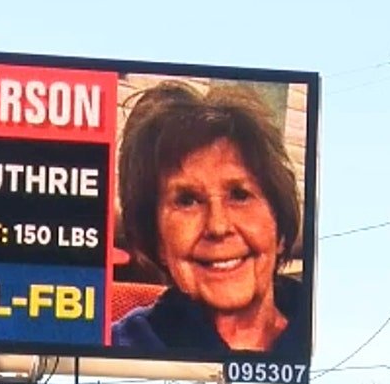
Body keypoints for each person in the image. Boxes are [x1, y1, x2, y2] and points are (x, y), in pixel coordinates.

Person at [110, 79, 304, 354]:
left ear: (279, 229)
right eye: (187, 201)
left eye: (239, 195)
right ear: (158, 242)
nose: (218, 226)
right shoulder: (118, 349)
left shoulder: (328, 335)